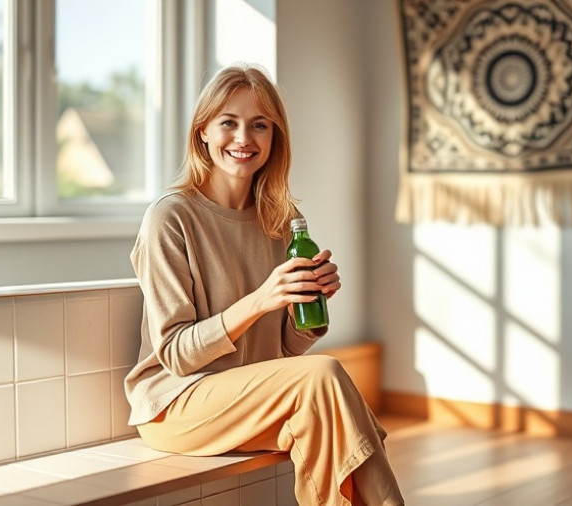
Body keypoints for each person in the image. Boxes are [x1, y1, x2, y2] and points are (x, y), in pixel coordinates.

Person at [124, 63, 404, 506]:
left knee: (337, 419)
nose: (244, 139)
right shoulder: (170, 218)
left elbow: (285, 352)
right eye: (228, 123)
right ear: (202, 133)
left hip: (249, 398)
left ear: (275, 139)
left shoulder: (278, 221)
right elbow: (176, 355)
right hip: (176, 405)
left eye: (260, 126)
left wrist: (306, 306)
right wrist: (259, 300)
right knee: (327, 381)